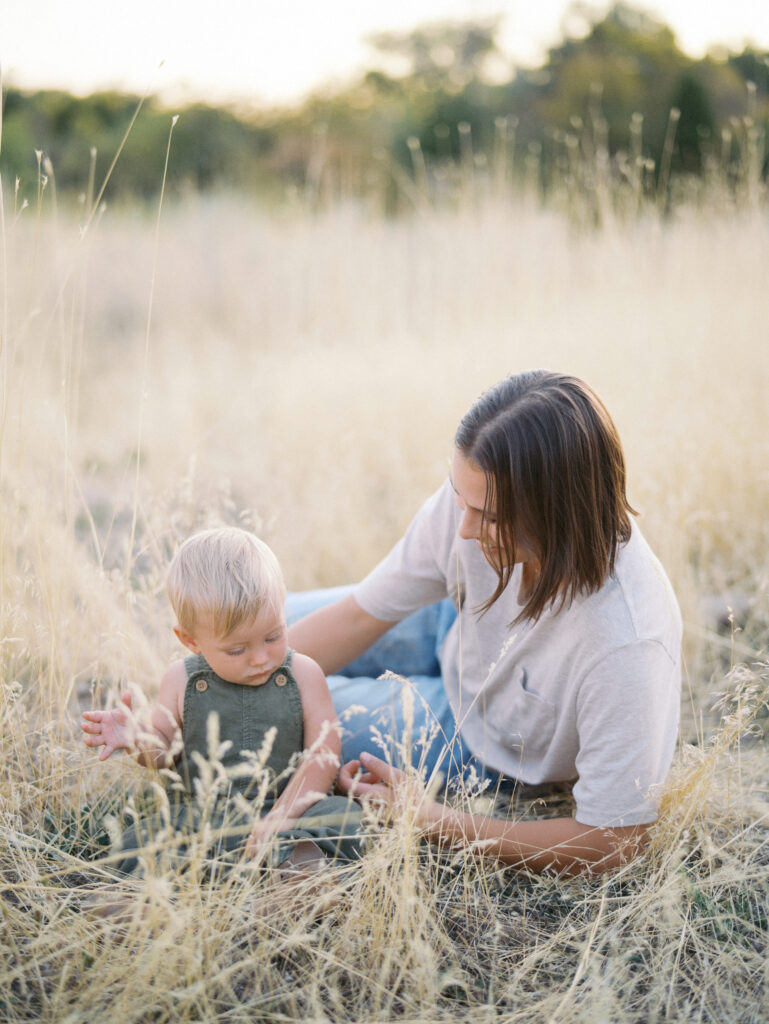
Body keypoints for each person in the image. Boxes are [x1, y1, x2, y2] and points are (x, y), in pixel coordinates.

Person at [288, 370, 682, 877]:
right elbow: (359, 614)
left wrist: (431, 819)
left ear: (560, 513)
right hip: (451, 624)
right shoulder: (475, 502)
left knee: (272, 720)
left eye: (490, 516)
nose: (466, 529)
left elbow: (616, 843)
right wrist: (200, 689)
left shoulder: (625, 644)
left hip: (480, 737)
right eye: (460, 498)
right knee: (253, 635)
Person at [81, 527, 362, 884]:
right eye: (237, 650)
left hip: (286, 814)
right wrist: (137, 739)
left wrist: (283, 816)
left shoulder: (304, 673)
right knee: (146, 835)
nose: (261, 658)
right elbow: (163, 753)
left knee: (343, 816)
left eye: (273, 635)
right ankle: (139, 899)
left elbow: (324, 751)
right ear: (190, 640)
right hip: (204, 819)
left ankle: (296, 880)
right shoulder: (180, 680)